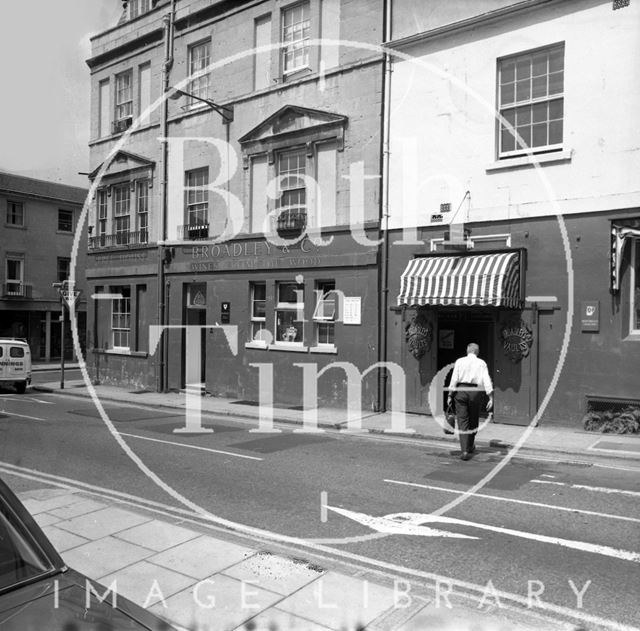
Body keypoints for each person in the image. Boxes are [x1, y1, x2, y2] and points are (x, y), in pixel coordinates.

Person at [446, 343, 493, 461]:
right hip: (475, 392)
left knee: (462, 421)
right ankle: (470, 445)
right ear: (477, 352)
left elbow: (454, 379)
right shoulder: (482, 363)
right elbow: (486, 380)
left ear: (467, 350)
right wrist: (490, 397)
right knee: (473, 419)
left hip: (461, 391)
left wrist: (450, 394)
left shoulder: (459, 361)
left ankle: (465, 450)